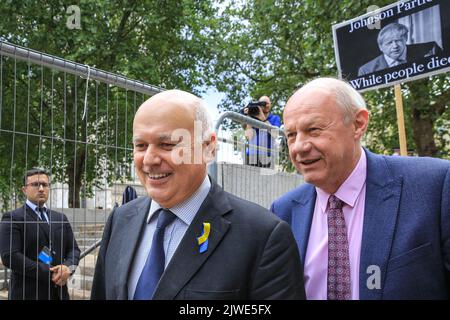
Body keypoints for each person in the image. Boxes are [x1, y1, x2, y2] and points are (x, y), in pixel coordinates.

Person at [91, 89, 305, 300]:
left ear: (209, 148)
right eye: (141, 145)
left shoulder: (263, 236)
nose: (149, 159)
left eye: (167, 145)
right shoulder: (120, 221)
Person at [270, 77, 450, 300]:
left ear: (358, 124)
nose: (299, 147)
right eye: (291, 135)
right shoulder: (283, 211)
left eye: (313, 129)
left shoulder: (433, 186)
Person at [0, 168, 80, 300]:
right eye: (36, 184)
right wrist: (51, 273)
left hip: (59, 294)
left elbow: (74, 250)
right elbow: (10, 256)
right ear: (24, 190)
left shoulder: (60, 218)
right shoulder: (13, 218)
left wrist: (68, 268)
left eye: (45, 184)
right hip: (27, 293)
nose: (41, 189)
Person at [358, 22, 442, 76]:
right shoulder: (366, 70)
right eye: (389, 43)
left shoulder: (431, 49)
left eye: (398, 40)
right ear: (381, 47)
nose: (395, 46)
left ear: (405, 38)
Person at [244, 95, 282, 167]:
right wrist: (249, 117)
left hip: (267, 156)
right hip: (251, 154)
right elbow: (248, 137)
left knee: (265, 178)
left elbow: (275, 134)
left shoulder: (275, 118)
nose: (266, 105)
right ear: (258, 105)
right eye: (263, 103)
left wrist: (263, 118)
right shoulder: (252, 118)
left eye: (267, 103)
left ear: (270, 104)